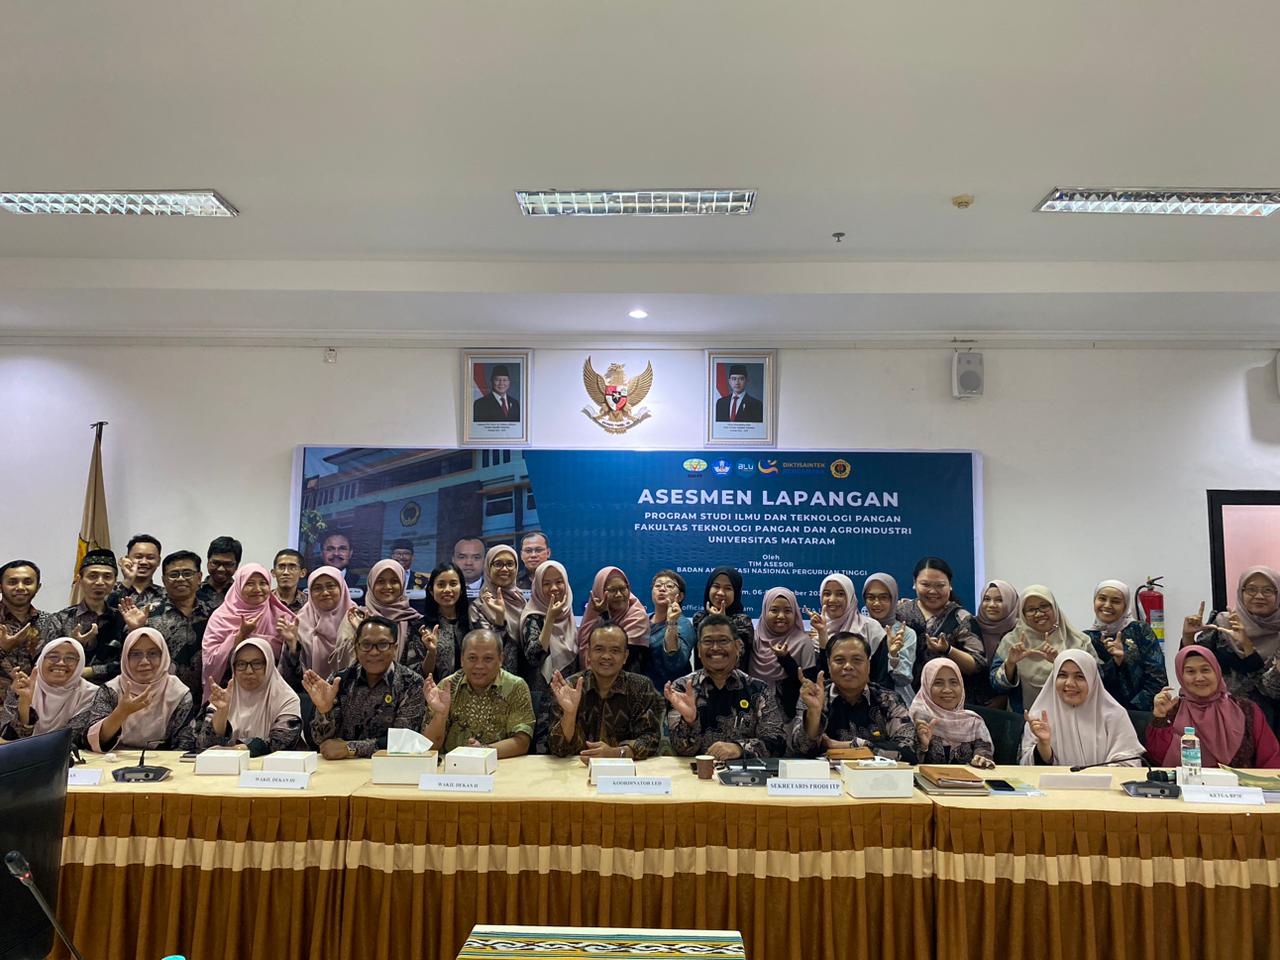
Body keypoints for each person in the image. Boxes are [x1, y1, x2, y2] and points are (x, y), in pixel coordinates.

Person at [302, 616, 427, 759]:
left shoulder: (411, 683)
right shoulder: (339, 681)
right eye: (366, 645)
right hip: (341, 766)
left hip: (389, 765)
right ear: (356, 647)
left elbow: (403, 740)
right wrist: (324, 711)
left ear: (395, 648)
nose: (374, 652)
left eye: (383, 644)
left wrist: (351, 748)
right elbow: (322, 743)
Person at [664, 614, 786, 759]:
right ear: (699, 649)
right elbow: (680, 750)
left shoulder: (758, 689)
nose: (715, 648)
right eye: (708, 641)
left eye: (723, 640)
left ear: (737, 646)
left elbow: (777, 741)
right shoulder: (682, 688)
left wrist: (739, 748)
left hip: (744, 772)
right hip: (696, 771)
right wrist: (689, 721)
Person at [788, 632, 917, 761]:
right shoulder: (814, 697)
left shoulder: (888, 700)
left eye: (857, 660)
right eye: (839, 660)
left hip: (875, 773)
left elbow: (908, 749)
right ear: (829, 664)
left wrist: (852, 745)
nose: (848, 666)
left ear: (868, 665)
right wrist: (814, 713)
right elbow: (801, 750)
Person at [1182, 566, 1280, 730]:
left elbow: (1270, 690)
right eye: (1251, 589)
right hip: (1215, 717)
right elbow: (1194, 667)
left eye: (1268, 590)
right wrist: (1188, 636)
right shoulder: (1223, 623)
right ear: (1241, 592)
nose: (1259, 596)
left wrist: (1247, 647)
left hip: (1267, 723)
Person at [1151, 645, 1280, 769]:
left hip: (1241, 784)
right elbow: (1159, 761)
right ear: (1181, 676)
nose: (1199, 678)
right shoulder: (1172, 711)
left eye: (1205, 670)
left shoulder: (1247, 710)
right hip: (1187, 783)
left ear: (1217, 672)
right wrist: (1160, 717)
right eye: (1190, 671)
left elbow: (1271, 759)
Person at [547, 624, 662, 761]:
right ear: (588, 654)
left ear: (625, 656)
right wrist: (569, 714)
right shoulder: (570, 687)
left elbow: (650, 738)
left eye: (615, 651)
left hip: (625, 770)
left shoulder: (640, 686)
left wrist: (615, 753)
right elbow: (557, 748)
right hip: (576, 768)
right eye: (599, 649)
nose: (606, 656)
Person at [422, 629, 535, 757]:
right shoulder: (447, 687)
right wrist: (440, 715)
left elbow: (522, 743)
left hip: (500, 764)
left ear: (501, 659)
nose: (479, 665)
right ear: (462, 660)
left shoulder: (515, 687)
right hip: (453, 765)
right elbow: (430, 747)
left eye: (488, 659)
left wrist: (483, 751)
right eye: (472, 658)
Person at [1020, 649, 1143, 766]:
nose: (1069, 683)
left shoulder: (1114, 715)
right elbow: (1026, 768)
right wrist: (1043, 745)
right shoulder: (1039, 718)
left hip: (1104, 781)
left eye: (1079, 676)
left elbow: (1129, 761)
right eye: (1062, 675)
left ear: (1092, 680)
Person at [86, 627, 196, 752]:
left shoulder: (178, 692)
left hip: (162, 760)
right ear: (125, 658)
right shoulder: (111, 690)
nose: (144, 661)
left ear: (164, 657)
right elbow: (94, 741)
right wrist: (121, 712)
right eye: (136, 654)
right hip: (113, 758)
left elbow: (185, 746)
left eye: (152, 653)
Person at [992, 585, 1096, 712]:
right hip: (1024, 717)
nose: (1039, 614)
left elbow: (1098, 681)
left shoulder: (1079, 641)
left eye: (1044, 606)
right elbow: (997, 686)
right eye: (1031, 609)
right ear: (1023, 614)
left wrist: (1061, 663)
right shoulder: (1012, 641)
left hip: (1073, 715)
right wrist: (1010, 664)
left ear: (1054, 607)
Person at [49, 550, 145, 685]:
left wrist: (136, 629)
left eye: (107, 577)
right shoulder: (60, 619)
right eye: (92, 576)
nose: (100, 582)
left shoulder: (124, 618)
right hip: (70, 691)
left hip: (116, 690)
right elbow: (48, 663)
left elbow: (133, 662)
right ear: (79, 580)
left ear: (114, 582)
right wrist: (74, 646)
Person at [201, 563, 294, 699]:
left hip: (271, 695)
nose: (257, 589)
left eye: (263, 583)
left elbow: (294, 667)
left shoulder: (282, 618)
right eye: (249, 584)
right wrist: (241, 635)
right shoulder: (221, 617)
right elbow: (210, 663)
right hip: (229, 695)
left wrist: (292, 643)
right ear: (238, 586)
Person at [197, 638, 302, 755]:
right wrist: (222, 712)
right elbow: (205, 746)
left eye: (257, 664)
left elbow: (280, 744)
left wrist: (237, 750)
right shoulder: (223, 698)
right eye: (241, 664)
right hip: (226, 765)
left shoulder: (286, 699)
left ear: (269, 665)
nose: (248, 671)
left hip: (272, 766)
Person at [896, 557, 986, 694]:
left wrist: (948, 650)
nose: (933, 591)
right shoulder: (901, 613)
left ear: (950, 585)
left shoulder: (961, 618)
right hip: (904, 696)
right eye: (925, 585)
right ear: (914, 583)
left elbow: (977, 664)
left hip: (948, 697)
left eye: (940, 585)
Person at [0, 638, 105, 747]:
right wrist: (24, 704)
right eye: (53, 657)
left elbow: (72, 740)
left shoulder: (92, 695)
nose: (61, 663)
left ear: (80, 664)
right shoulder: (21, 688)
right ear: (41, 660)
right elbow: (6, 739)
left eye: (70, 658)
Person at [518, 560, 577, 750]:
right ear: (537, 586)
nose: (554, 588)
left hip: (568, 696)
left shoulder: (568, 614)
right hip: (541, 699)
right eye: (546, 583)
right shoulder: (532, 616)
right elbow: (533, 657)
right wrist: (550, 618)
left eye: (559, 582)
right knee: (542, 753)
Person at [1084, 580, 1167, 711]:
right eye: (1102, 599)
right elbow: (1091, 682)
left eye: (1116, 601)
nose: (1107, 605)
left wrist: (1132, 710)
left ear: (1125, 605)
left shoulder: (1140, 630)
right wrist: (1116, 662)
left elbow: (1158, 678)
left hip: (1141, 713)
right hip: (1102, 714)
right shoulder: (1086, 638)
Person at [334, 560, 423, 671]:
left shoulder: (414, 621)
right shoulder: (356, 616)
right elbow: (343, 662)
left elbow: (418, 668)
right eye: (380, 581)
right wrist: (360, 632)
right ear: (371, 584)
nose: (388, 586)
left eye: (394, 581)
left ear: (402, 584)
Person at [145, 550, 208, 703]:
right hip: (160, 700)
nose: (180, 579)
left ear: (199, 577)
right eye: (173, 574)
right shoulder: (148, 615)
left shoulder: (214, 615)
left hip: (205, 698)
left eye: (187, 573)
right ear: (164, 580)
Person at [909, 659, 996, 767]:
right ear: (926, 686)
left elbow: (984, 755)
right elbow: (905, 765)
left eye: (954, 682)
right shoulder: (914, 720)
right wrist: (923, 747)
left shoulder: (973, 722)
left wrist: (981, 760)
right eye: (938, 683)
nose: (947, 690)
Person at [279, 565, 353, 686]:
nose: (325, 593)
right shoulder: (300, 622)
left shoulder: (356, 619)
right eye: (317, 588)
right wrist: (293, 647)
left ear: (342, 588)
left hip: (352, 693)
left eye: (331, 586)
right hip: (310, 692)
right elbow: (289, 677)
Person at [750, 586, 815, 717]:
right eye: (774, 610)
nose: (781, 616)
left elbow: (809, 684)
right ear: (765, 611)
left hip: (790, 718)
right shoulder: (753, 639)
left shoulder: (803, 642)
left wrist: (785, 659)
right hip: (752, 713)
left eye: (788, 611)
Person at [0, 559, 58, 704]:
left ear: (38, 587)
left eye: (27, 582)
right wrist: (2, 649)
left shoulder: (50, 621)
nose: (20, 587)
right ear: (0, 586)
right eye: (12, 582)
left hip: (38, 705)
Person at [576, 566, 650, 675]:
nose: (619, 594)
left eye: (623, 588)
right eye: (612, 590)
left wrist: (605, 615)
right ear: (600, 592)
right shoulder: (593, 614)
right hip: (589, 681)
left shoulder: (637, 617)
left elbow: (616, 655)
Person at [469, 545, 527, 673]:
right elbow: (487, 649)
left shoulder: (522, 602)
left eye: (510, 564)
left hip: (526, 678)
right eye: (498, 564)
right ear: (488, 568)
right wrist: (500, 617)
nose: (505, 569)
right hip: (494, 677)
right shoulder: (478, 607)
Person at [861, 573, 916, 705]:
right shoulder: (858, 629)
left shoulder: (905, 633)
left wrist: (894, 656)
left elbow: (903, 679)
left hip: (897, 704)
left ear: (893, 598)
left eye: (883, 597)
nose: (876, 603)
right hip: (862, 702)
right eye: (871, 597)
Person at [419, 562, 475, 681]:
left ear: (461, 589)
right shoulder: (421, 627)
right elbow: (419, 675)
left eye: (453, 584)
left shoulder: (473, 624)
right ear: (431, 590)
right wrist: (431, 652)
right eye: (441, 585)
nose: (447, 590)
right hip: (434, 691)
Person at [691, 567, 754, 672]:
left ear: (736, 593)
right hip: (703, 680)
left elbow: (739, 658)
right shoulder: (699, 619)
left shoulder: (743, 622)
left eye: (728, 588)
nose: (720, 593)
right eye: (716, 586)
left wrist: (723, 622)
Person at [646, 569, 696, 689]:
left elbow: (675, 663)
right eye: (658, 585)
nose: (662, 589)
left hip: (670, 692)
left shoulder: (683, 624)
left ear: (680, 596)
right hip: (640, 691)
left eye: (669, 586)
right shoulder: (642, 619)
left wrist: (672, 623)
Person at [974, 580, 1019, 709]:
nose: (992, 605)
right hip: (972, 703)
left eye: (999, 600)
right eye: (986, 599)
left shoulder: (1020, 632)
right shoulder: (970, 627)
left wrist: (1006, 698)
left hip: (1012, 706)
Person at [110, 534, 165, 609]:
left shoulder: (167, 594)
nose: (144, 562)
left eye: (150, 558)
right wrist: (127, 581)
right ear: (127, 559)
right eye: (138, 557)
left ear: (158, 561)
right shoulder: (108, 588)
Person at [196, 536, 242, 613]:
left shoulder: (241, 594)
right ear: (208, 562)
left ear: (236, 566)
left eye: (227, 564)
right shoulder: (194, 591)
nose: (221, 569)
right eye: (215, 563)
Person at [272, 549, 308, 613]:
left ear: (302, 573)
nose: (286, 572)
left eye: (292, 568)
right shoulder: (266, 600)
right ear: (273, 572)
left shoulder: (309, 603)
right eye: (281, 567)